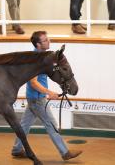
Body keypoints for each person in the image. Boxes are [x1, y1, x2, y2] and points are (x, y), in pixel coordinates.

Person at [11, 31, 82, 161]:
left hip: (33, 98)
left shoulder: (41, 56)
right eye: (45, 40)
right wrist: (50, 92)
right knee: (51, 124)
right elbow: (33, 82)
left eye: (47, 39)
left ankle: (16, 149)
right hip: (38, 98)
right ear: (38, 44)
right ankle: (65, 152)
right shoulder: (34, 60)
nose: (49, 41)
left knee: (24, 125)